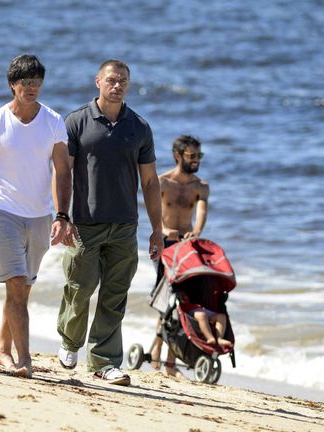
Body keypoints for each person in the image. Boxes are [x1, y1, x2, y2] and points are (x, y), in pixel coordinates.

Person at [56, 59, 163, 386]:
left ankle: (104, 361)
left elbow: (150, 182)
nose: (118, 86)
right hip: (85, 224)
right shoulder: (75, 122)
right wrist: (62, 216)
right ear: (98, 82)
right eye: (112, 80)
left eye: (123, 82)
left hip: (125, 226)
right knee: (80, 287)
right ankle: (71, 342)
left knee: (115, 296)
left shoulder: (139, 128)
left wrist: (157, 229)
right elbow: (62, 173)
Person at [0, 54, 73, 378]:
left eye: (37, 82)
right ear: (13, 85)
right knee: (15, 284)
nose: (32, 88)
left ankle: (1, 350)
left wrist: (62, 215)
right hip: (3, 212)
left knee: (22, 289)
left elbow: (62, 171)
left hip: (40, 215)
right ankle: (24, 359)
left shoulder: (54, 121)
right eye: (26, 83)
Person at [149, 135, 213, 375]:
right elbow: (154, 213)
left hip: (187, 245)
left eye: (199, 156)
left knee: (183, 301)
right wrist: (164, 230)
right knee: (164, 300)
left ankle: (170, 360)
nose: (196, 160)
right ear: (178, 156)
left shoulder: (201, 187)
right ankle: (158, 350)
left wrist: (196, 232)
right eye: (191, 156)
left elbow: (201, 213)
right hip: (166, 243)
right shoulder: (162, 182)